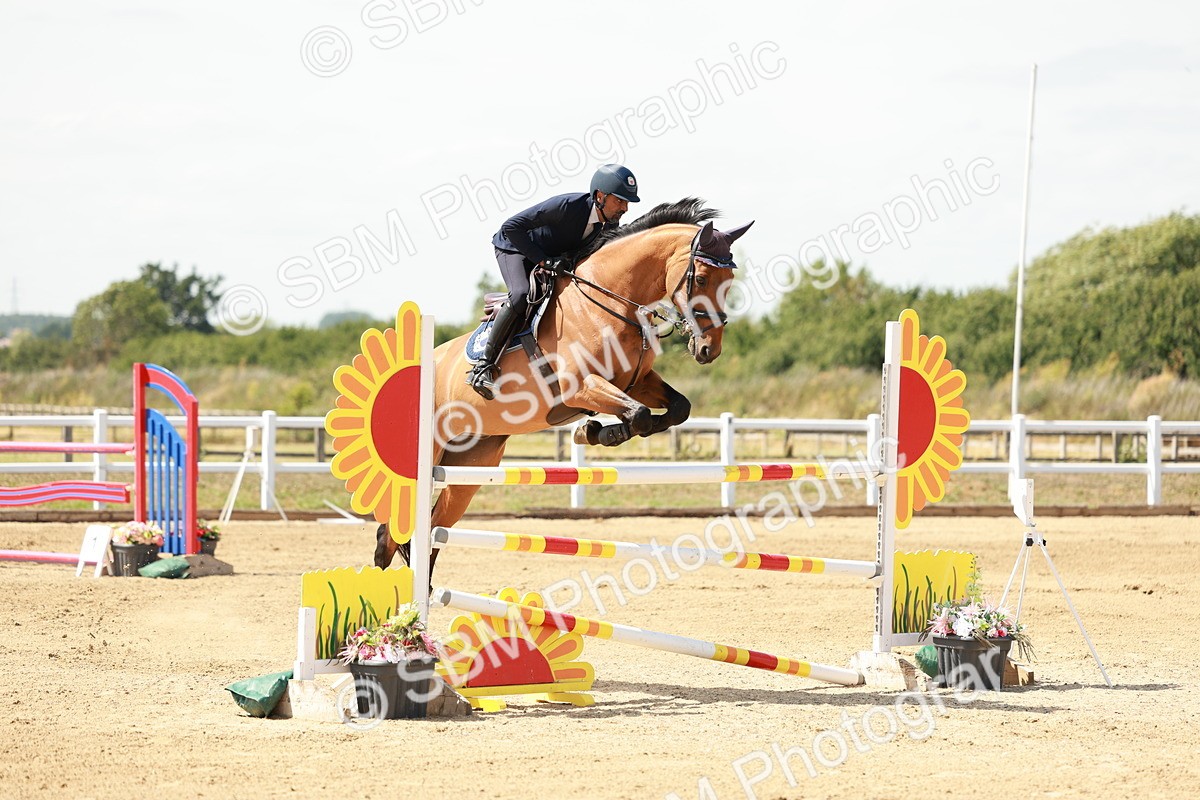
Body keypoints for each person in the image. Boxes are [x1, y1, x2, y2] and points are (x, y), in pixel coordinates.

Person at [467, 163, 641, 399]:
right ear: (600, 196)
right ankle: (483, 366)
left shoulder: (610, 223)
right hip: (515, 247)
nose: (625, 208)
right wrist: (543, 261)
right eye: (620, 201)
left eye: (627, 202)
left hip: (551, 258)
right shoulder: (567, 206)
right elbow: (511, 227)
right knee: (521, 293)